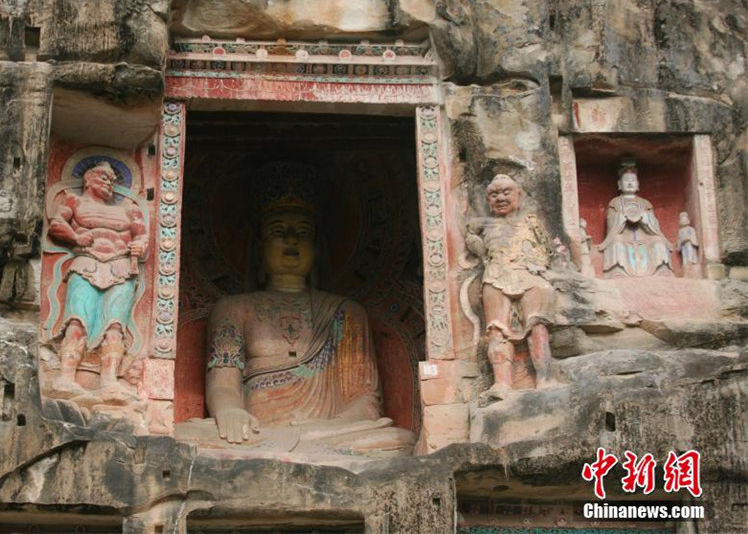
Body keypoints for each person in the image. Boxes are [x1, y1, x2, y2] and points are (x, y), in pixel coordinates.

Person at [177, 162, 414, 459]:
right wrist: (230, 413)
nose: (291, 239)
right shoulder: (233, 309)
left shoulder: (347, 313)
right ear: (259, 247)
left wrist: (326, 428)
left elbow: (365, 401)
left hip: (327, 433)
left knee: (398, 441)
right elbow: (223, 383)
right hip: (253, 433)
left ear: (317, 247)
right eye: (278, 231)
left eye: (303, 232)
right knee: (183, 438)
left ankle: (292, 450)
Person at [47, 162, 149, 396]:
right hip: (86, 263)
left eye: (112, 180)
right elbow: (56, 225)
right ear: (88, 178)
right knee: (77, 319)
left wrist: (138, 245)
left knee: (115, 325)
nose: (108, 182)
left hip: (121, 267)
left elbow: (142, 236)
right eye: (103, 177)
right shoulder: (74, 201)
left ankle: (109, 380)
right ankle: (66, 376)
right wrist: (75, 238)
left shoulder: (129, 209)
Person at [465, 174, 557, 400]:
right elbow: (475, 244)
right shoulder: (483, 225)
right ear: (488, 200)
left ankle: (544, 378)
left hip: (529, 274)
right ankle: (502, 382)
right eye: (494, 194)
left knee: (537, 325)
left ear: (519, 195)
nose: (500, 198)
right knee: (496, 329)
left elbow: (547, 251)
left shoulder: (531, 222)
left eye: (506, 192)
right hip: (496, 274)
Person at [598, 163, 673, 278]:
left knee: (658, 240)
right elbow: (611, 224)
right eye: (626, 180)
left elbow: (655, 224)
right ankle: (618, 270)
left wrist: (645, 219)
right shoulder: (615, 203)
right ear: (619, 184)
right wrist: (621, 218)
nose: (629, 183)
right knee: (617, 240)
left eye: (633, 180)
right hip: (624, 236)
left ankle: (661, 269)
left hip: (644, 236)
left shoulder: (645, 203)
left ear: (637, 184)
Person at [677, 211, 701, 278]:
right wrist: (682, 241)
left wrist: (689, 239)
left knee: (689, 246)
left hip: (690, 244)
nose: (683, 221)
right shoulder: (680, 231)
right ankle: (686, 262)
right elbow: (679, 241)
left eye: (685, 219)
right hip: (683, 246)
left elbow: (694, 239)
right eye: (682, 219)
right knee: (685, 252)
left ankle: (691, 260)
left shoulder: (691, 229)